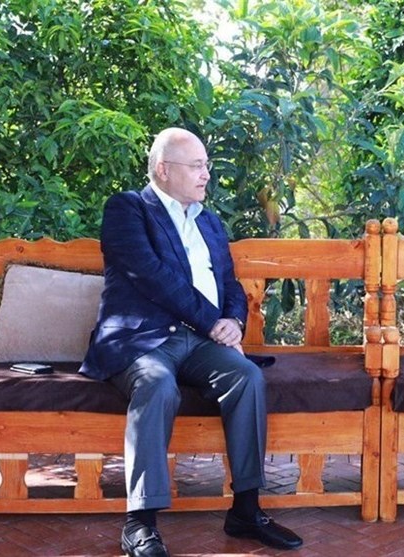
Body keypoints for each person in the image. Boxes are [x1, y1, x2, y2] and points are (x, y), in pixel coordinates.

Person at [80, 127, 303, 556]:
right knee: (156, 385)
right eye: (197, 166)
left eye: (207, 165)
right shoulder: (129, 209)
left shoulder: (208, 220)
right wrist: (211, 322)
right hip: (142, 340)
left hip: (200, 341)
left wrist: (233, 321)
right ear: (164, 170)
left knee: (246, 377)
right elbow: (153, 277)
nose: (206, 174)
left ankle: (246, 510)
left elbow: (229, 282)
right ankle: (140, 524)